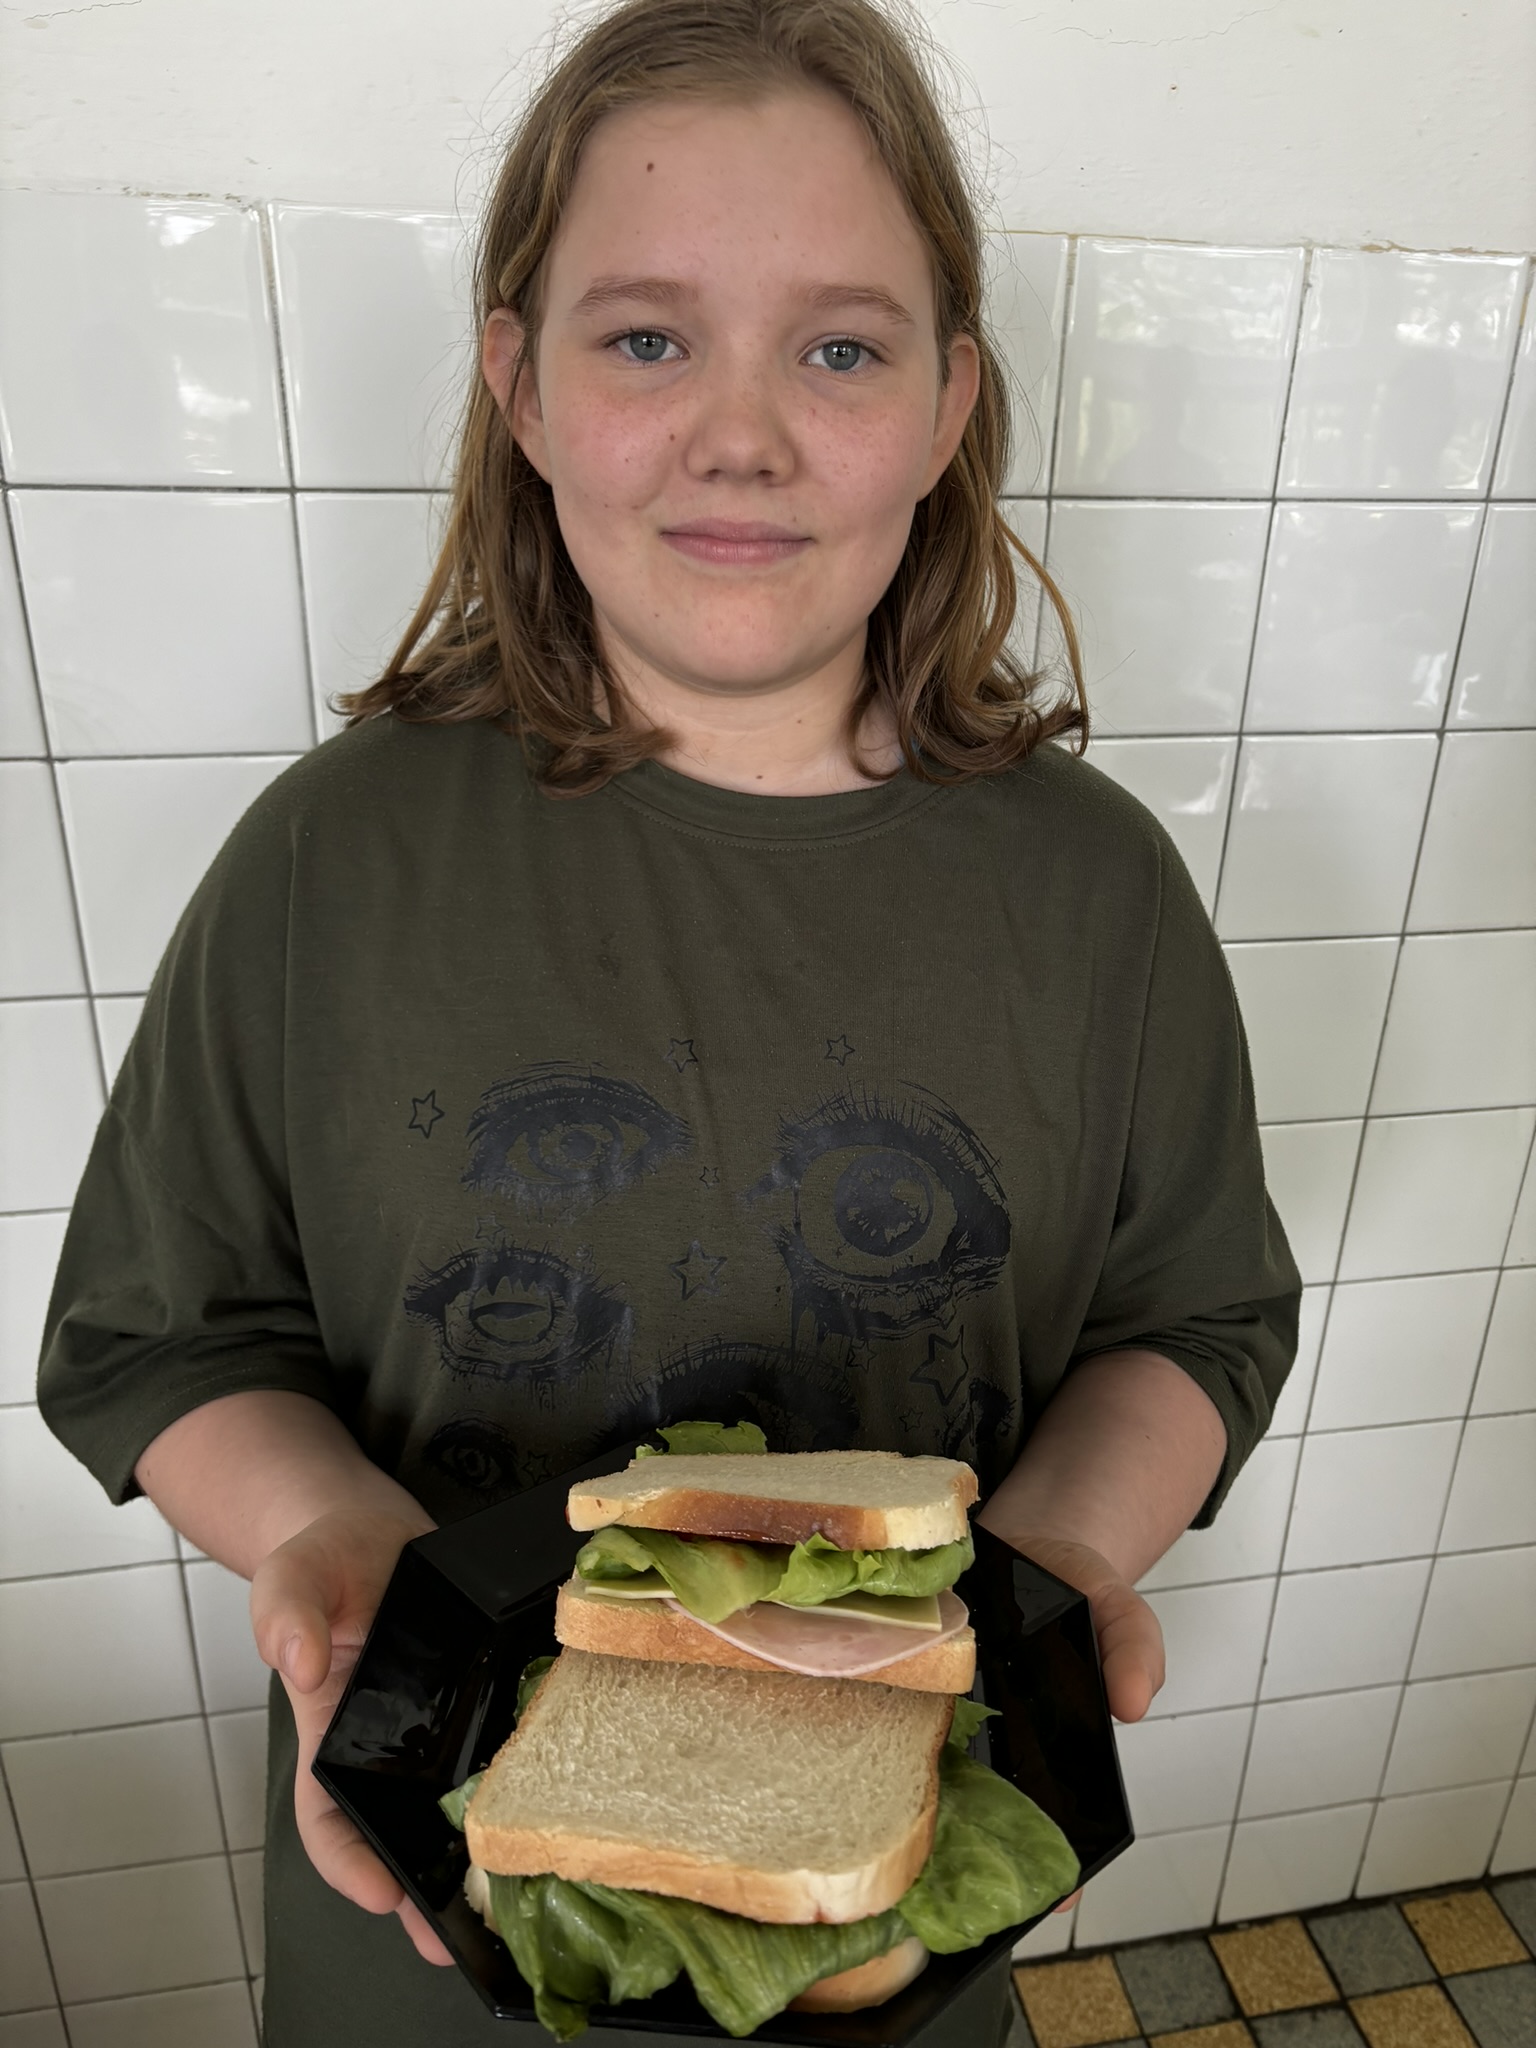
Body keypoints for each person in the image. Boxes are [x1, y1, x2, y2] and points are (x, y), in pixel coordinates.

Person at [37, 0, 1300, 2042]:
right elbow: (159, 1335)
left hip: (893, 1910)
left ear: (950, 403)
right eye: (645, 339)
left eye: (842, 349)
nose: (742, 434)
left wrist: (1051, 1566)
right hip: (423, 1925)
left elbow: (1198, 1312)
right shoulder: (330, 859)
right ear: (517, 386)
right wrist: (328, 1527)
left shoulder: (1100, 895)